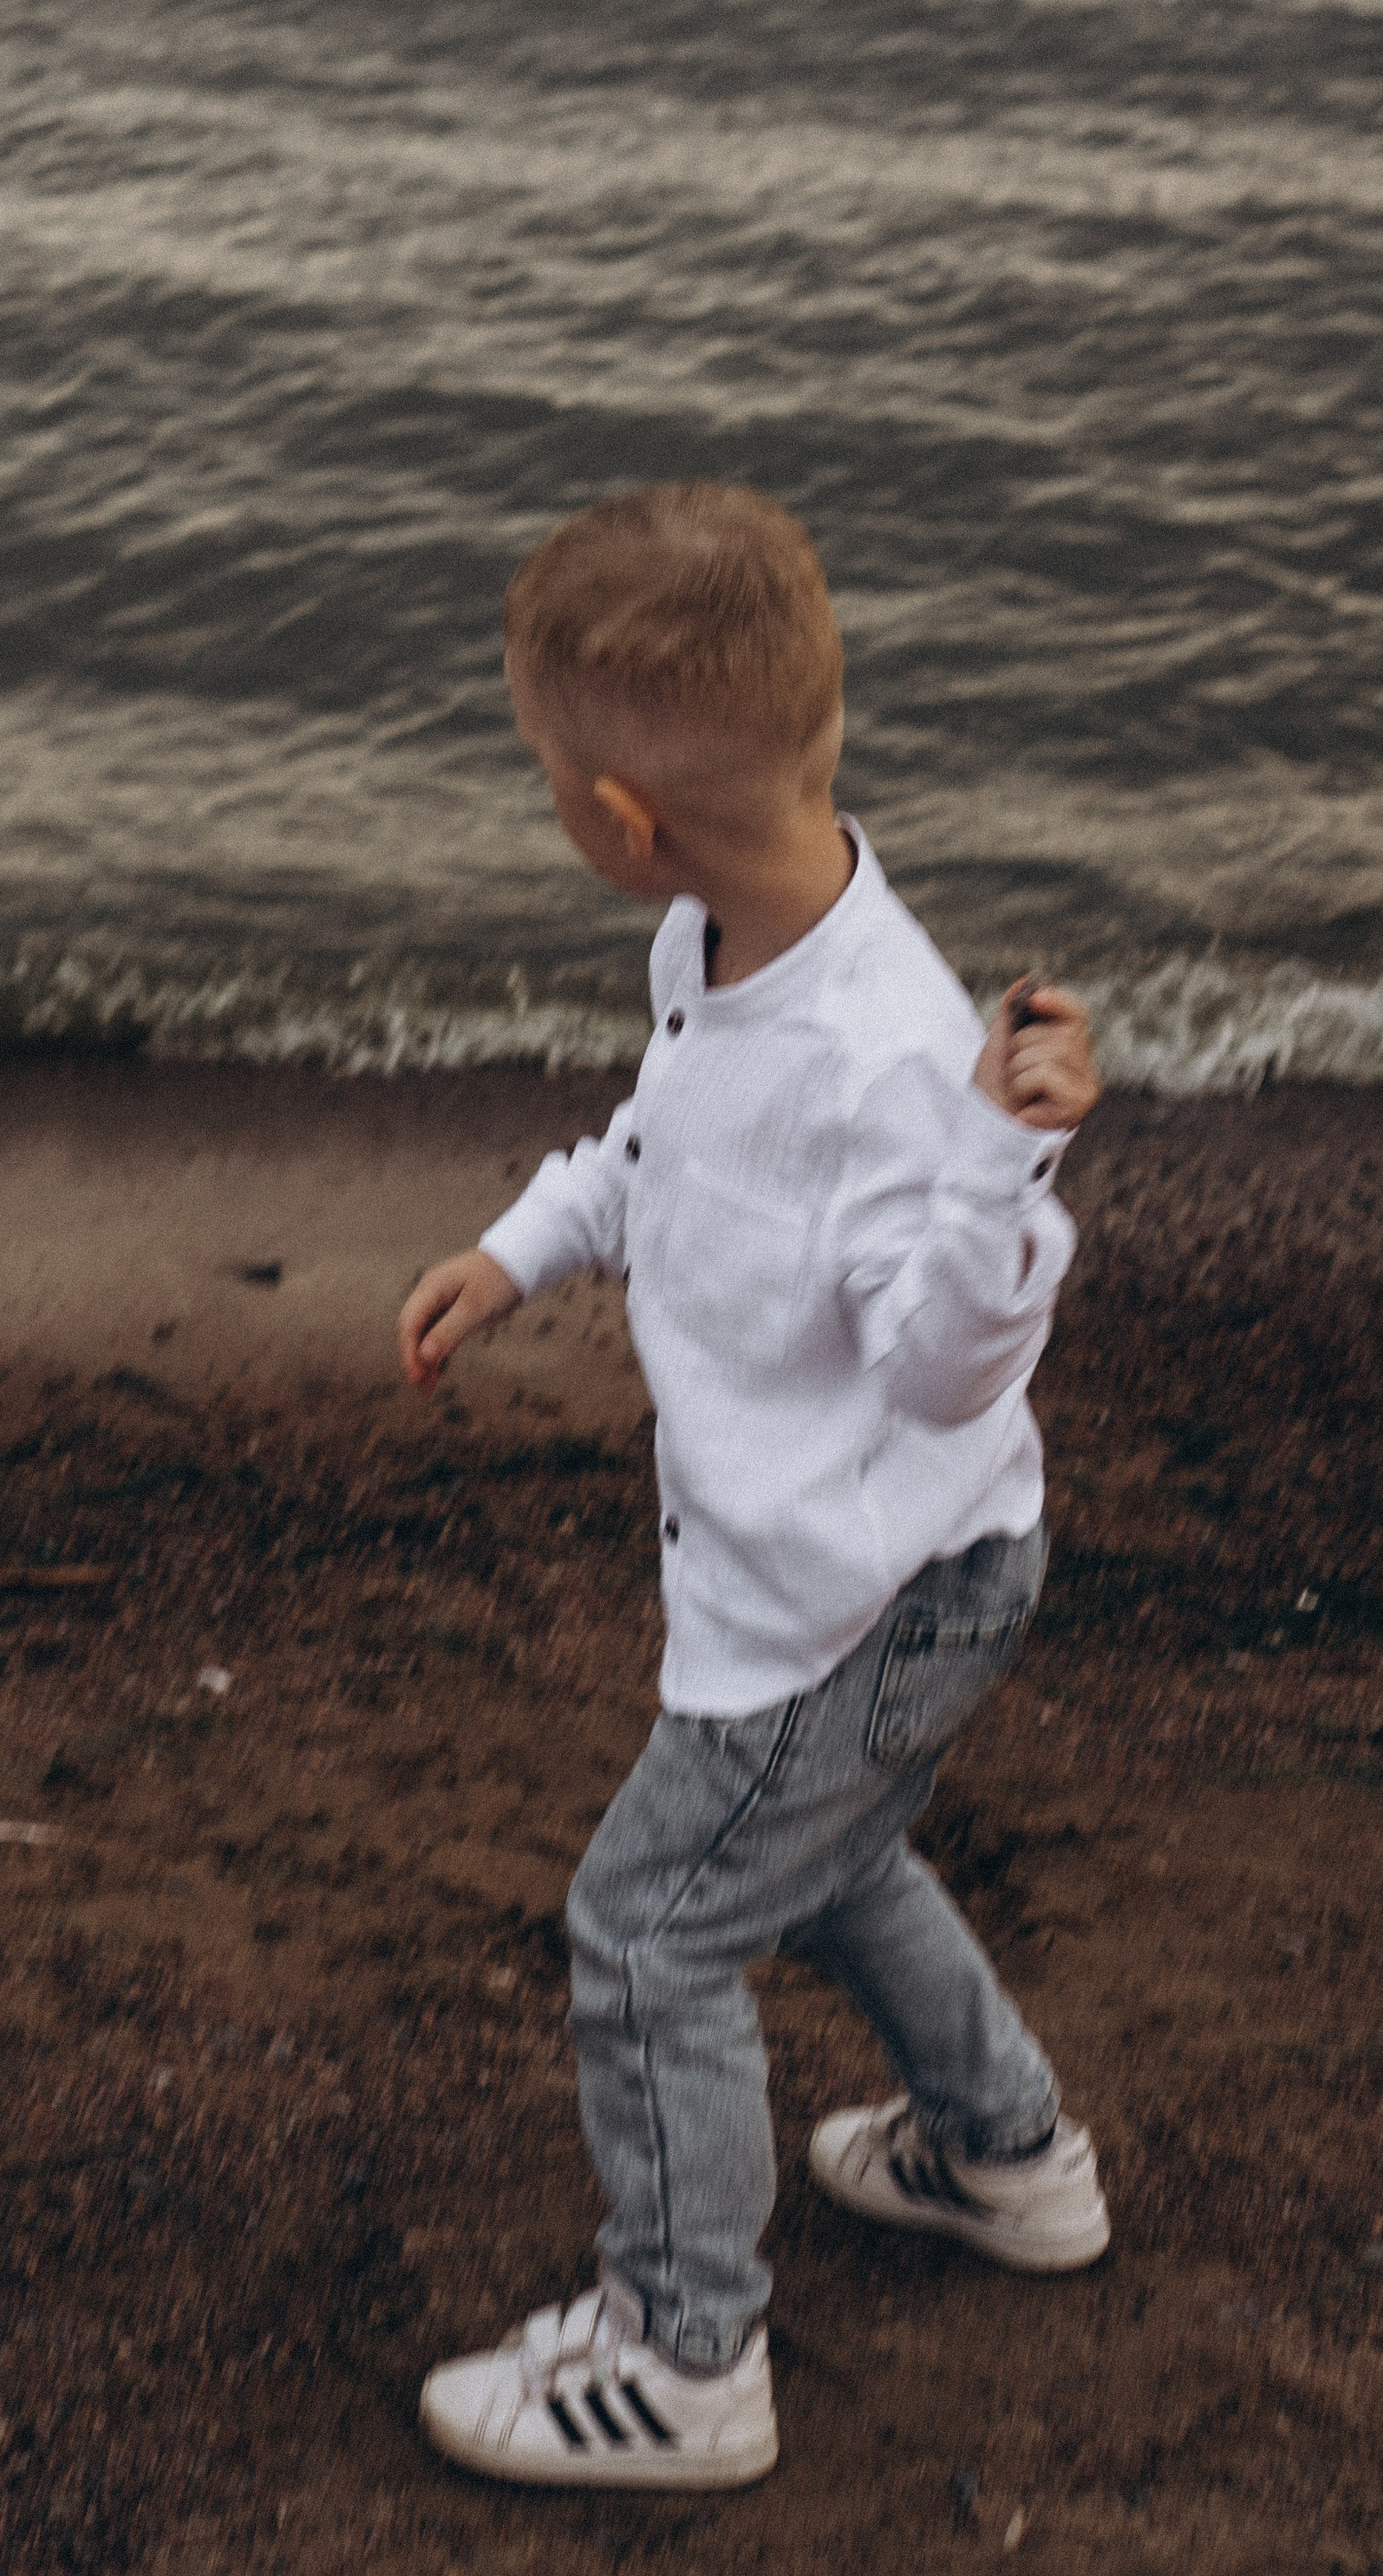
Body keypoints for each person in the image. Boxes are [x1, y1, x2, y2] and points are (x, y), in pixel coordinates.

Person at [396, 484, 1107, 2495]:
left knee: (647, 1933)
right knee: (825, 1862)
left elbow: (949, 1353)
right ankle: (1004, 2158)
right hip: (877, 1575)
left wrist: (996, 1165)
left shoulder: (888, 1055)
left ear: (614, 811)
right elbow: (655, 1143)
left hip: (852, 1596)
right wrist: (523, 1245)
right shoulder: (715, 940)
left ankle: (682, 2356)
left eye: (547, 774)